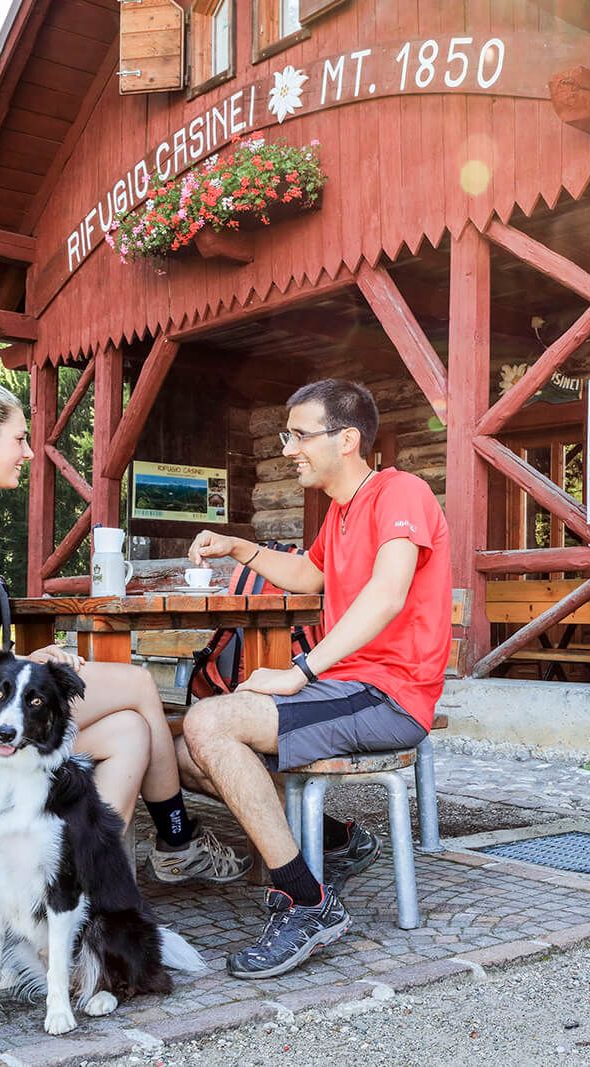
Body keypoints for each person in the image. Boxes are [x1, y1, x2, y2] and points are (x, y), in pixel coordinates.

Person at [0, 378, 247, 884]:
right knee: (139, 685)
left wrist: (18, 670)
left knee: (130, 730)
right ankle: (177, 841)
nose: (27, 453)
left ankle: (74, 887)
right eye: (18, 439)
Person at [180, 379, 451, 979]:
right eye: (288, 435)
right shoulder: (341, 510)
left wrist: (301, 670)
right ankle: (334, 839)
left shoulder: (400, 491)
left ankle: (306, 901)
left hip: (389, 694)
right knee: (179, 751)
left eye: (300, 435)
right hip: (347, 688)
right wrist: (238, 548)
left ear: (347, 439)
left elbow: (385, 597)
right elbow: (308, 574)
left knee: (208, 720)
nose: (289, 448)